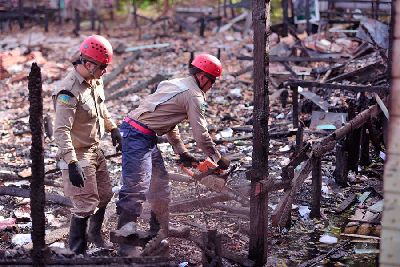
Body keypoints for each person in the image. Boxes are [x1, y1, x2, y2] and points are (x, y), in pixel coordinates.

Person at [116, 53, 230, 256]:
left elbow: (169, 122)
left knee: (160, 186)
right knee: (136, 186)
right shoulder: (194, 95)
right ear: (203, 77)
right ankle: (126, 244)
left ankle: (158, 232)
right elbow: (201, 134)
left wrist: (182, 151)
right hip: (136, 135)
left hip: (143, 134)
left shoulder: (173, 83)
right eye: (212, 82)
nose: (211, 86)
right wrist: (217, 158)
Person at [53, 35, 122, 254]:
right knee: (84, 205)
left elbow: (101, 109)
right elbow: (61, 130)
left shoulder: (95, 80)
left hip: (94, 148)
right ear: (89, 64)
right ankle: (77, 251)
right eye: (103, 66)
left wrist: (113, 129)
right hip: (77, 153)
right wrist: (71, 163)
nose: (106, 71)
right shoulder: (68, 91)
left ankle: (94, 233)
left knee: (104, 195)